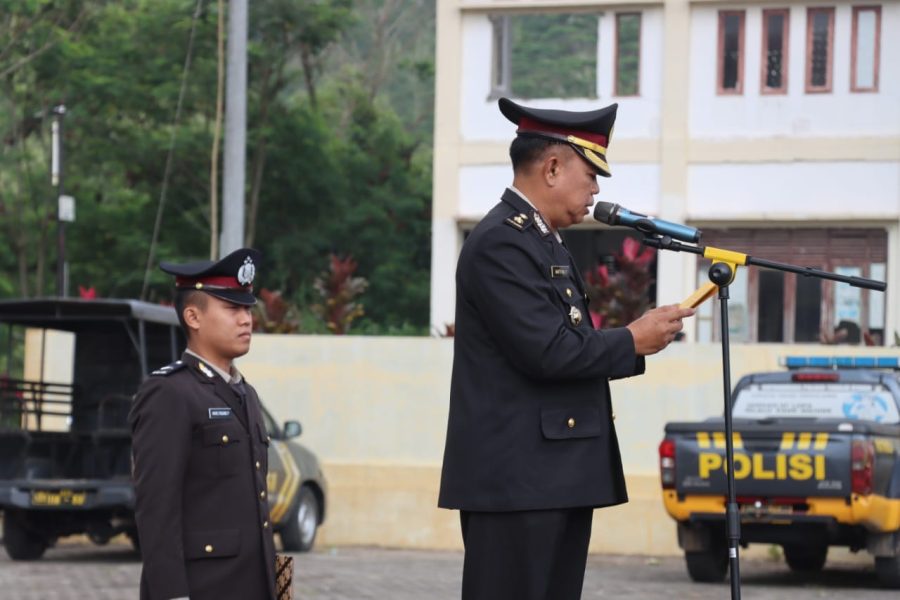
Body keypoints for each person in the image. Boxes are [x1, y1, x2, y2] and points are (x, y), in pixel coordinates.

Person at [438, 98, 695, 600]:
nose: (596, 190)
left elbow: (565, 341)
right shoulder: (501, 242)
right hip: (517, 482)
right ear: (553, 168)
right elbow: (549, 351)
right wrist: (632, 340)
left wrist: (632, 339)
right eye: (590, 174)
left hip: (550, 475)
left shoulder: (544, 241)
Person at [129, 248, 276, 600]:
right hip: (203, 588)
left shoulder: (246, 394)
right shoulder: (170, 393)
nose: (246, 319)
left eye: (247, 308)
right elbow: (157, 511)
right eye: (232, 309)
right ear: (193, 317)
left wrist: (281, 589)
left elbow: (260, 514)